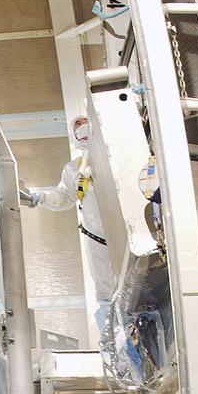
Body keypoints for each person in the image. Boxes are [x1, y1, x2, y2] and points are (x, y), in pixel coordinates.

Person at [26, 115, 114, 310]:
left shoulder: (116, 152)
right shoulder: (75, 168)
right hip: (96, 237)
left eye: (85, 122)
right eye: (77, 125)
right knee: (105, 288)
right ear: (74, 135)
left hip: (127, 230)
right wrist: (41, 197)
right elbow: (65, 196)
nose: (82, 127)